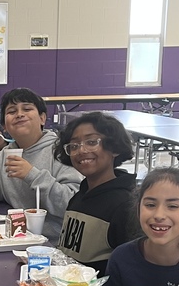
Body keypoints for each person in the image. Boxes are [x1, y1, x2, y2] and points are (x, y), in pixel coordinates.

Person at [0, 88, 83, 242]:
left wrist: (32, 175)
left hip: (55, 245)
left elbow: (72, 206)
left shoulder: (61, 152)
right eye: (12, 111)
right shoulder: (4, 155)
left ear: (42, 118)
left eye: (27, 109)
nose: (19, 114)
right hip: (16, 239)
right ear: (4, 126)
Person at [54, 112, 140, 274]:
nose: (81, 150)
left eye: (91, 142)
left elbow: (131, 269)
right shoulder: (79, 197)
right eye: (74, 145)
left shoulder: (125, 205)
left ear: (114, 148)